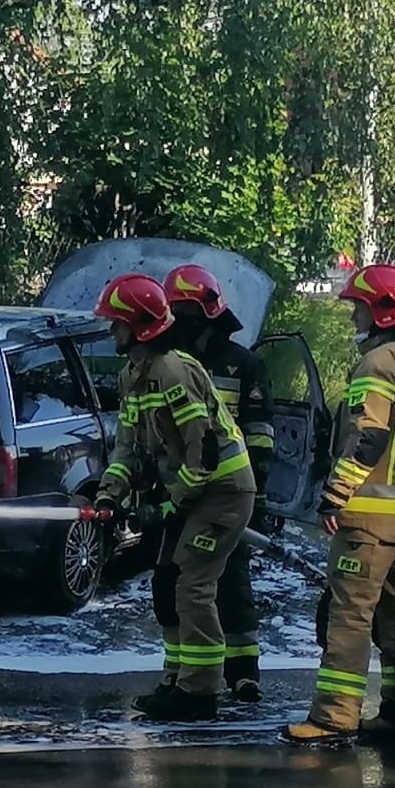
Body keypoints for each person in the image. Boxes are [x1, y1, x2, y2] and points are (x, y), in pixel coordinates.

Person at [281, 264, 395, 749]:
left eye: (358, 307)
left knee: (349, 617)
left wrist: (335, 497)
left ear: (381, 312)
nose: (354, 316)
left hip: (368, 521)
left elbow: (367, 437)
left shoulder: (377, 364)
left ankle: (334, 717)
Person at [91, 273, 256, 722]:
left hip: (222, 492)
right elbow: (127, 449)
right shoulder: (133, 376)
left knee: (192, 585)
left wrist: (166, 506)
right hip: (192, 493)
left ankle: (200, 692)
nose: (111, 331)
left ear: (139, 326)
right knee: (166, 584)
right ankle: (176, 680)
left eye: (117, 323)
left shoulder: (173, 372)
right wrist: (109, 496)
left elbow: (203, 455)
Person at [162, 264, 274, 703]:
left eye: (186, 315)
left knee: (232, 583)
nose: (180, 324)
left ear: (207, 315)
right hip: (184, 491)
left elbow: (260, 435)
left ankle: (244, 673)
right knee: (178, 583)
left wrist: (258, 496)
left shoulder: (244, 364)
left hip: (228, 492)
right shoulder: (170, 365)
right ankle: (182, 672)